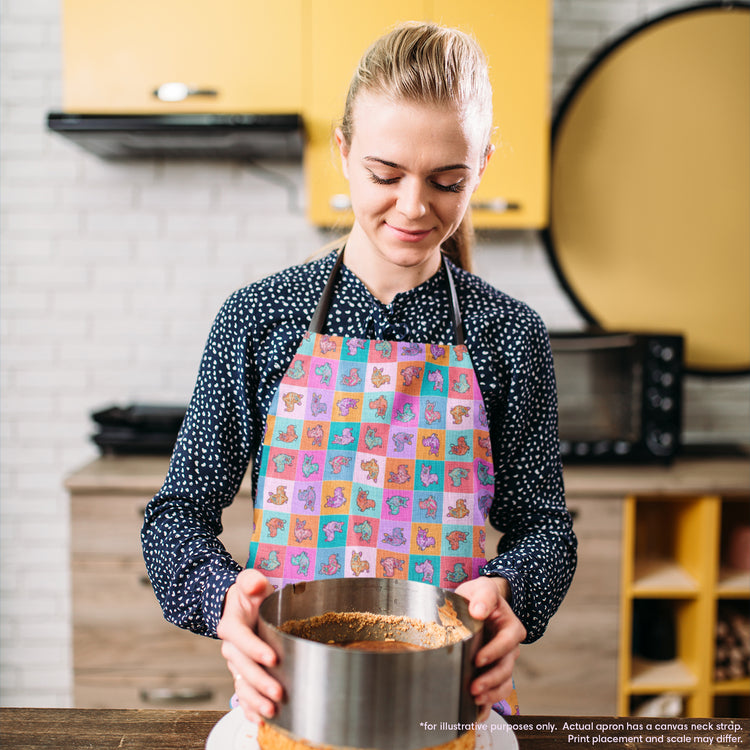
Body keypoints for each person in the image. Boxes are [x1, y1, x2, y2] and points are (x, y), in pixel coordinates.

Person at [141, 20, 577, 726]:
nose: (413, 207)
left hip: (448, 702)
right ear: (343, 154)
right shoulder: (260, 318)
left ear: (483, 167)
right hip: (293, 698)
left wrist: (514, 593)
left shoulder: (509, 336)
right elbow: (175, 518)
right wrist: (224, 601)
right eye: (385, 174)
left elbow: (545, 529)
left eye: (447, 181)